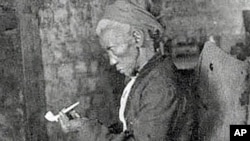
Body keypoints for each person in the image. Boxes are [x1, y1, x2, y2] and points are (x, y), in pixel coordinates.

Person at [58, 0, 195, 140]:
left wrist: (85, 129)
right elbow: (132, 129)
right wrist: (87, 126)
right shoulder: (147, 78)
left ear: (137, 38)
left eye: (112, 49)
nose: (112, 61)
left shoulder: (160, 87)